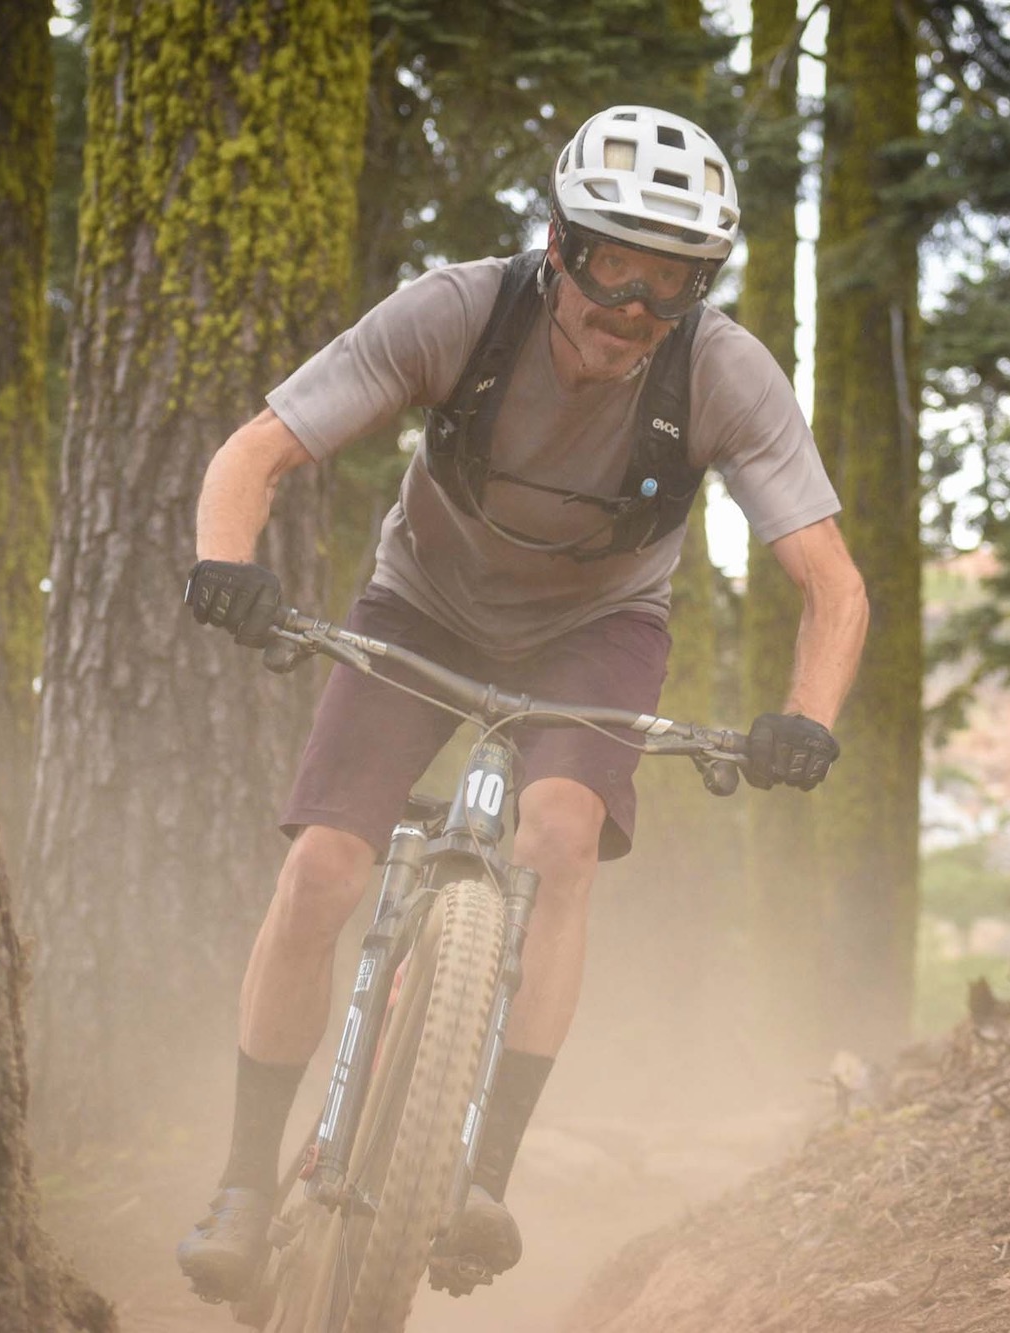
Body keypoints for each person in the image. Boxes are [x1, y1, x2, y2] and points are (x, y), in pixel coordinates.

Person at [174, 104, 868, 1302]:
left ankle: (479, 1174)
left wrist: (805, 717)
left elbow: (831, 584)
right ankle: (244, 1178)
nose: (634, 313)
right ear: (559, 243)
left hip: (598, 630)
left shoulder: (719, 372)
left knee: (559, 840)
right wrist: (228, 565)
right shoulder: (457, 311)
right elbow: (255, 454)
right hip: (420, 604)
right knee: (325, 870)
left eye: (674, 285)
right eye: (613, 272)